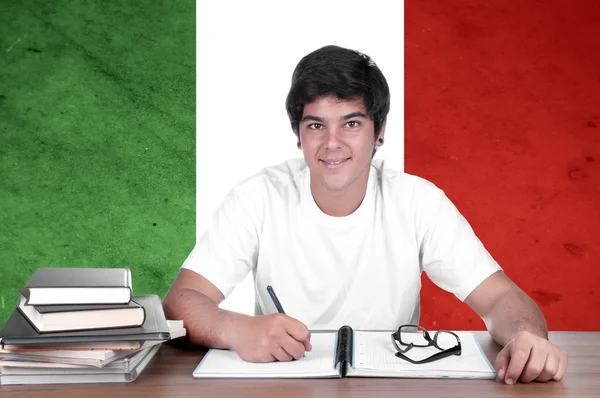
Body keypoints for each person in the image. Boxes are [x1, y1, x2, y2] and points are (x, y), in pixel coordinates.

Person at [162, 45, 567, 384]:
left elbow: (500, 298)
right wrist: (235, 329)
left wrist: (526, 337)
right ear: (298, 134)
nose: (332, 143)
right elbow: (180, 302)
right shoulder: (258, 197)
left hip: (389, 387)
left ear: (380, 131)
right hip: (283, 385)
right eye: (316, 125)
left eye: (351, 123)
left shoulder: (417, 201)